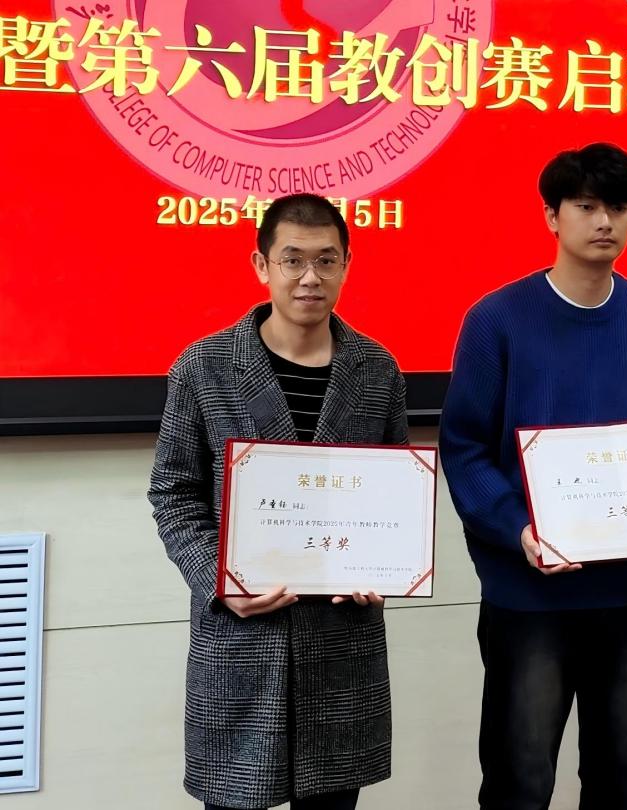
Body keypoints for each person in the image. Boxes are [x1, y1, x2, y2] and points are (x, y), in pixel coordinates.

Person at [439, 142, 627, 810]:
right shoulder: (496, 320)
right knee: (519, 780)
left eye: (619, 207)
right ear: (552, 216)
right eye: (585, 206)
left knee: (626, 778)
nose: (604, 221)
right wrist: (518, 530)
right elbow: (463, 448)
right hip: (530, 594)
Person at [148, 193, 407, 810]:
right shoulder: (205, 366)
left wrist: (385, 566)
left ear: (347, 265)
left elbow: (394, 494)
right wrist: (220, 581)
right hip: (241, 635)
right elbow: (174, 493)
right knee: (234, 797)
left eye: (326, 260)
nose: (310, 277)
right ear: (262, 265)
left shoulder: (377, 370)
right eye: (293, 260)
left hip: (340, 638)